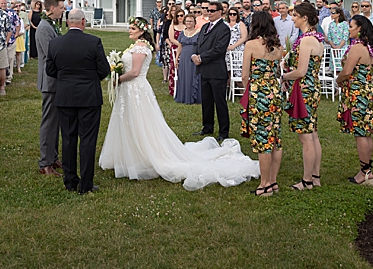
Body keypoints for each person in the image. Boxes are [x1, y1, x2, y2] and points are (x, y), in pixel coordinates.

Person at [100, 17, 259, 191]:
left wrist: (118, 79)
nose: (129, 30)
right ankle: (128, 154)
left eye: (132, 28)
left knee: (140, 122)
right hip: (130, 90)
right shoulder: (136, 45)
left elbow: (136, 72)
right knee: (128, 121)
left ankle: (143, 154)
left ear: (141, 30)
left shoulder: (141, 47)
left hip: (135, 89)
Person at [46, 9, 111, 194]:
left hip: (65, 95)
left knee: (68, 138)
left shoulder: (55, 43)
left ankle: (70, 181)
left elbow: (50, 70)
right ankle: (86, 184)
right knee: (88, 140)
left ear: (68, 22)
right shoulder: (93, 42)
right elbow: (103, 69)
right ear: (83, 21)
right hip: (89, 96)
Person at [241, 11, 285, 196]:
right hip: (274, 90)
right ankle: (273, 181)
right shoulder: (278, 46)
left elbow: (244, 75)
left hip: (259, 92)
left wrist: (249, 90)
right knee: (275, 137)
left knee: (263, 139)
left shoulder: (251, 44)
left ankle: (264, 184)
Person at [282, 2, 324, 190]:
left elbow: (301, 71)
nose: (292, 19)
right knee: (312, 134)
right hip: (311, 87)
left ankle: (307, 180)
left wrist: (283, 76)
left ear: (304, 18)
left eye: (295, 16)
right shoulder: (314, 38)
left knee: (306, 136)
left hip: (304, 89)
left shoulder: (307, 40)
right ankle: (315, 176)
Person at [335, 15, 373, 185]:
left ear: (359, 28)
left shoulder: (357, 48)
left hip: (357, 93)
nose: (348, 29)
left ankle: (365, 172)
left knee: (360, 133)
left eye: (351, 26)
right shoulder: (368, 47)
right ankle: (366, 169)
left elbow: (347, 71)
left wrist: (338, 81)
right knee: (365, 132)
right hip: (367, 90)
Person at [35, 0, 66, 175]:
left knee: (55, 122)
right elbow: (51, 55)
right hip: (50, 81)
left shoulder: (51, 25)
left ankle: (53, 157)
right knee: (49, 122)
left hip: (56, 81)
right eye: (61, 8)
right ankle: (45, 162)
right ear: (52, 8)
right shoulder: (44, 28)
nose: (63, 11)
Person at [191, 1, 231, 141]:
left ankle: (223, 131)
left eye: (212, 10)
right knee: (206, 101)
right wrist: (194, 55)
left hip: (216, 70)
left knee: (219, 102)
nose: (209, 13)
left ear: (220, 12)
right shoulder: (205, 26)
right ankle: (207, 127)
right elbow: (198, 43)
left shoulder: (224, 29)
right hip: (204, 70)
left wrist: (202, 57)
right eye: (208, 10)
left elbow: (219, 49)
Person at [174, 13, 202, 105]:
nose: (189, 23)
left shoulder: (198, 32)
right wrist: (177, 58)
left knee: (194, 75)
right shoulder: (182, 33)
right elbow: (180, 46)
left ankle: (195, 97)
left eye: (191, 21)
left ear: (194, 22)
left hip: (194, 57)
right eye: (187, 21)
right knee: (184, 76)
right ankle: (184, 97)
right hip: (184, 58)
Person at [165, 8, 184, 98]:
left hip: (186, 49)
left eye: (182, 15)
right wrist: (180, 45)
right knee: (174, 69)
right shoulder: (172, 26)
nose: (180, 17)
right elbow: (171, 38)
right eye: (178, 16)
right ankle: (174, 89)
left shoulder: (187, 25)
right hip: (176, 49)